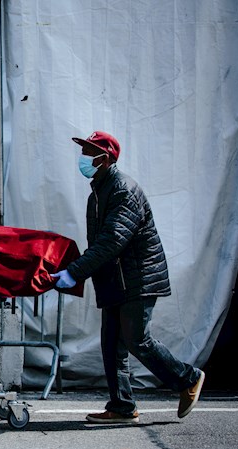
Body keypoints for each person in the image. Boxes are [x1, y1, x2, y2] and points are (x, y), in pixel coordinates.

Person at [51, 130, 205, 424]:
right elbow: (100, 243)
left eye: (88, 152)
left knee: (137, 340)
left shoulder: (123, 190)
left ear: (105, 159)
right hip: (115, 280)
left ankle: (188, 378)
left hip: (138, 278)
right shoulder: (98, 192)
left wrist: (75, 271)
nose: (82, 157)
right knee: (111, 345)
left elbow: (112, 241)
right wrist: (76, 268)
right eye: (83, 150)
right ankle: (122, 406)